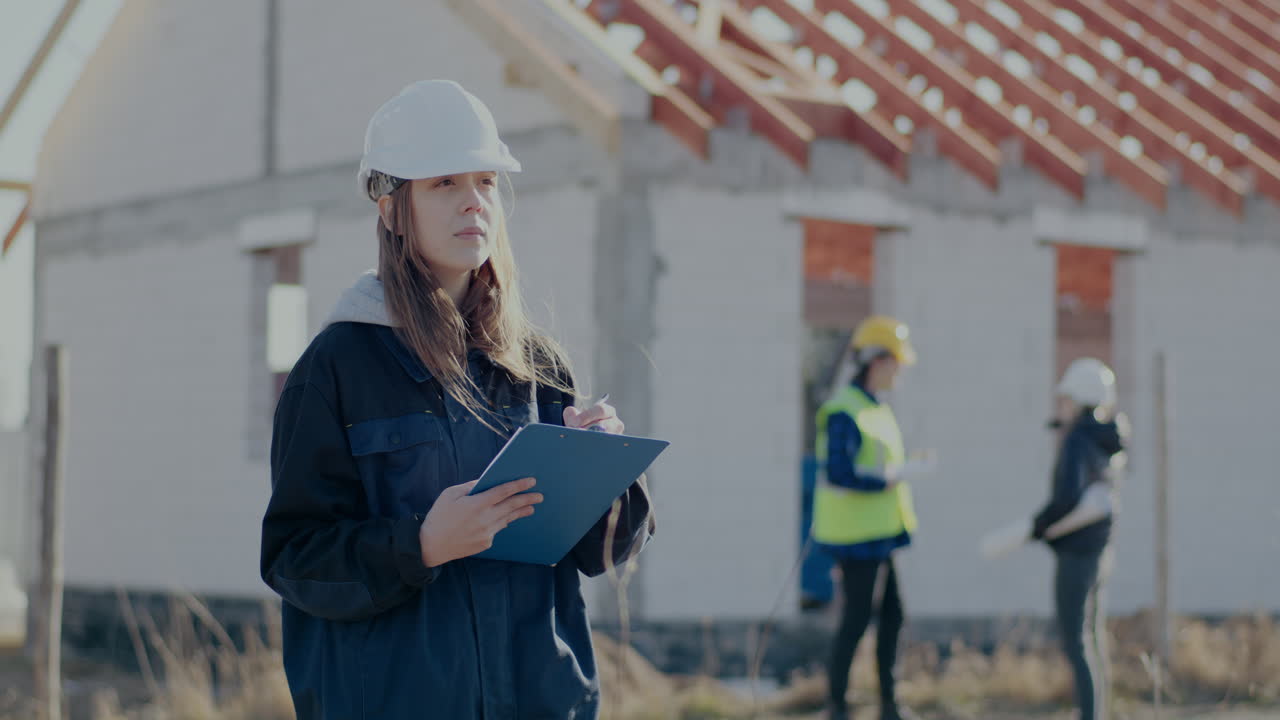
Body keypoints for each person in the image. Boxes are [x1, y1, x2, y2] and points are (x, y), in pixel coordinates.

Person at [259, 80, 654, 720]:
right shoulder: (335, 369)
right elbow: (294, 560)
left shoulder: (536, 363)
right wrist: (420, 545)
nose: (474, 201)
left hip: (539, 702)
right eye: (444, 182)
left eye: (486, 182)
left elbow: (601, 554)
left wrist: (606, 475)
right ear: (389, 206)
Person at [812, 315, 930, 720]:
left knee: (893, 618)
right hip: (856, 538)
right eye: (896, 361)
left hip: (881, 534)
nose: (900, 370)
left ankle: (889, 707)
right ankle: (838, 708)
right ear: (878, 360)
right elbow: (840, 472)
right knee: (856, 622)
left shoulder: (875, 408)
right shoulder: (844, 410)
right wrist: (890, 479)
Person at [1032, 358, 1129, 720]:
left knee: (1075, 639)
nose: (1063, 406)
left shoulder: (1078, 441)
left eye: (1067, 398)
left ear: (1078, 397)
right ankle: (1096, 712)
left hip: (1076, 552)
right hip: (1100, 550)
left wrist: (1041, 525)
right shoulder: (1108, 441)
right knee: (1093, 636)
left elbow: (1067, 498)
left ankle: (1089, 715)